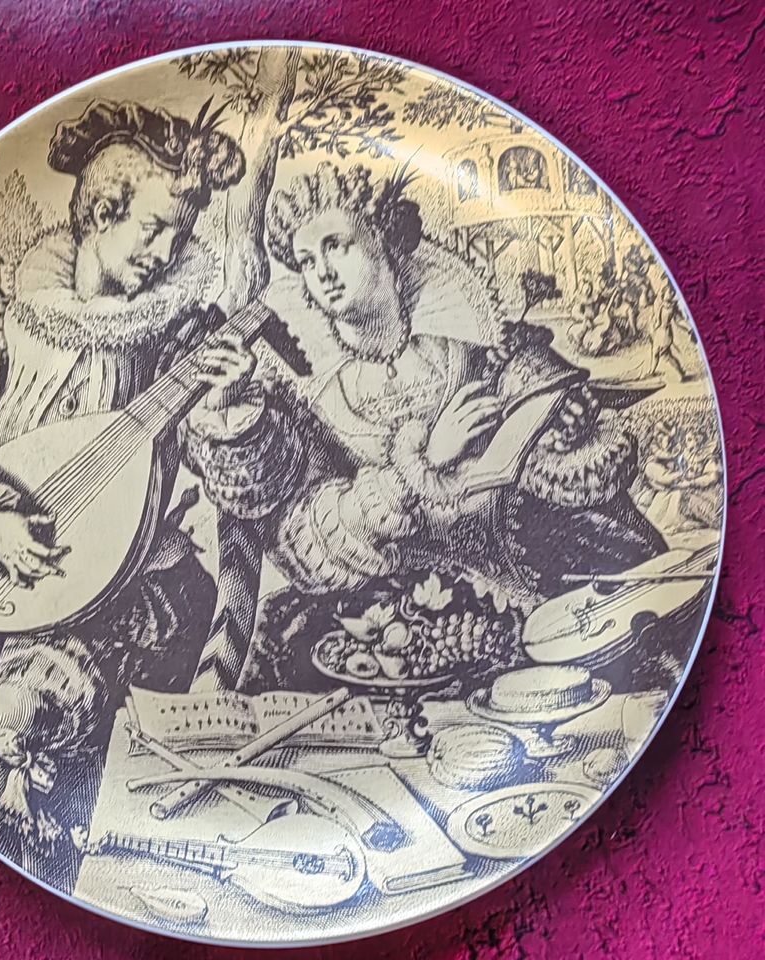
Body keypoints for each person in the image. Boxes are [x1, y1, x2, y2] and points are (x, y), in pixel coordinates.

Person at [0, 100, 288, 887]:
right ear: (102, 212)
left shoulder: (178, 337)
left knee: (26, 704)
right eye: (153, 229)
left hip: (119, 589)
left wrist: (229, 410)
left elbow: (250, 491)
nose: (167, 253)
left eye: (181, 235)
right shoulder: (12, 323)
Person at [191, 162, 666, 689]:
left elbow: (561, 461)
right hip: (395, 632)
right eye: (306, 260)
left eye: (336, 246)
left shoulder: (479, 355)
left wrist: (561, 435)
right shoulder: (318, 406)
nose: (322, 272)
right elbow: (306, 546)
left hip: (523, 608)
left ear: (386, 242)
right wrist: (422, 464)